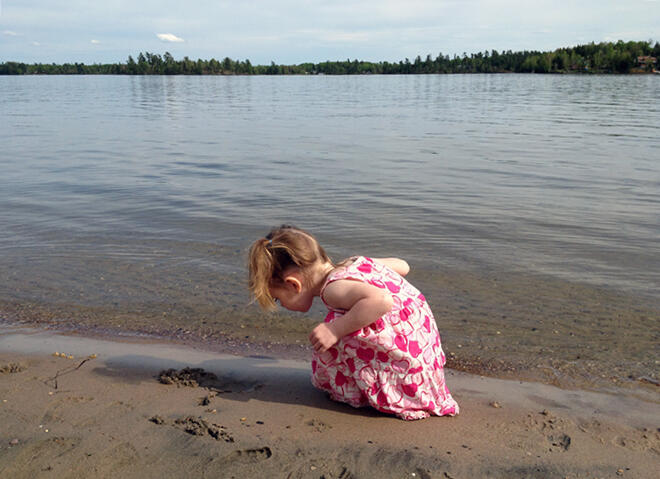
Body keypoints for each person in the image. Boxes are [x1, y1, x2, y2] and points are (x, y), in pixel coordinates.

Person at [248, 224, 459, 420]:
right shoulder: (357, 262)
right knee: (352, 316)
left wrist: (335, 330)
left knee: (332, 328)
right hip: (423, 358)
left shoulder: (333, 290)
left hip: (405, 371)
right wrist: (374, 270)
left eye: (277, 298)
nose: (281, 304)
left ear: (293, 285)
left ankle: (359, 391)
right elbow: (403, 266)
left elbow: (382, 300)